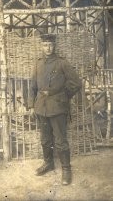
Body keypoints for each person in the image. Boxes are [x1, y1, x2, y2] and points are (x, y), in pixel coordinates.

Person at [28, 34, 82, 185]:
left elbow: (77, 83)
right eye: (45, 45)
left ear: (54, 46)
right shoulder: (37, 64)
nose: (48, 48)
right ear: (41, 46)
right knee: (45, 139)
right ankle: (48, 163)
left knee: (60, 140)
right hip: (41, 108)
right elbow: (32, 86)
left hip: (58, 107)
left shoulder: (62, 63)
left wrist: (63, 96)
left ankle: (66, 170)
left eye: (50, 45)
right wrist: (32, 105)